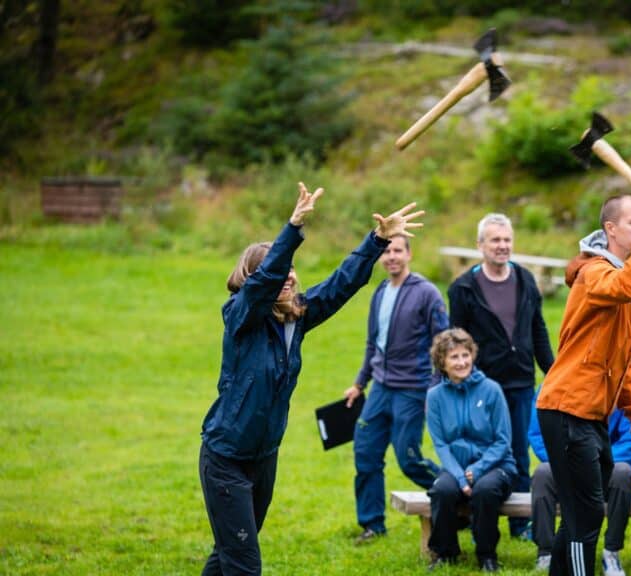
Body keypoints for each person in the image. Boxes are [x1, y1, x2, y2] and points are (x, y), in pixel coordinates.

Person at [198, 183, 422, 575]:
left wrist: (377, 241)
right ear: (254, 279)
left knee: (228, 556)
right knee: (244, 564)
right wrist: (292, 229)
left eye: (291, 270)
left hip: (263, 456)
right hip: (226, 458)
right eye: (278, 271)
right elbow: (264, 283)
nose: (288, 277)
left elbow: (341, 284)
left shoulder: (295, 317)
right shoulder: (240, 316)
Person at [535, 192, 631, 576]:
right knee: (585, 515)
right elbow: (628, 284)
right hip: (566, 408)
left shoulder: (630, 298)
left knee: (583, 511)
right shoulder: (595, 274)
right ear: (610, 229)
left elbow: (621, 362)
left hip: (591, 414)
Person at [447, 212, 555, 540]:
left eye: (507, 239)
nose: (502, 245)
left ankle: (520, 524)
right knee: (482, 453)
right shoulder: (463, 287)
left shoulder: (525, 279)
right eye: (495, 240)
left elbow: (538, 329)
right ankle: (481, 518)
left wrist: (553, 372)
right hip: (481, 387)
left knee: (519, 453)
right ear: (480, 245)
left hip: (521, 382)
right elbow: (456, 340)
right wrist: (455, 383)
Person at [342, 236, 448, 543]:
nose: (391, 256)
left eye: (397, 250)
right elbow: (372, 343)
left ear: (409, 254)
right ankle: (372, 525)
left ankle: (456, 494)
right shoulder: (380, 291)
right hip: (380, 388)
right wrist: (359, 383)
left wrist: (435, 389)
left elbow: (444, 343)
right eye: (386, 251)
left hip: (413, 389)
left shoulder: (426, 292)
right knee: (365, 452)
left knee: (409, 458)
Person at [425, 328, 516, 572]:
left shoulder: (491, 390)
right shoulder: (434, 397)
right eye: (454, 357)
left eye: (465, 355)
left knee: (485, 491)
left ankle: (487, 556)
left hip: (496, 465)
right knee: (442, 490)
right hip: (456, 467)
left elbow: (503, 441)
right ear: (442, 362)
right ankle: (445, 554)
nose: (462, 362)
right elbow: (440, 444)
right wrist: (459, 477)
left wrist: (478, 469)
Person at [528, 386, 631, 575]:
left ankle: (611, 552)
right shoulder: (549, 388)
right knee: (542, 473)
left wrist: (596, 462)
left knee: (622, 473)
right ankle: (546, 552)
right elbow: (537, 435)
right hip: (566, 462)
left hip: (608, 463)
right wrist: (565, 460)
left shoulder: (619, 386)